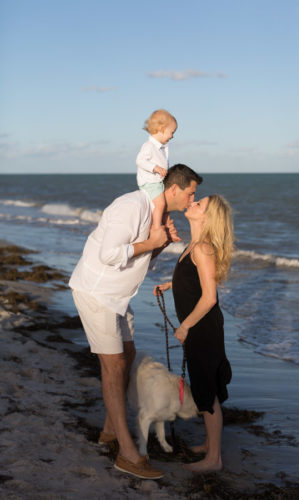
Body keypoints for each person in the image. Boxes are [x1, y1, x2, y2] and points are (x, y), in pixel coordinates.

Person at [69, 164, 203, 479]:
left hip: (119, 297)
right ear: (174, 189)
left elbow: (138, 259)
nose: (192, 198)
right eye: (190, 192)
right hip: (96, 292)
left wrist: (161, 244)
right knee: (114, 365)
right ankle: (127, 453)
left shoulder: (156, 214)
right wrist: (152, 241)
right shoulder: (131, 206)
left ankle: (109, 431)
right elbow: (109, 255)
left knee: (127, 357)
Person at [154, 194, 234, 473]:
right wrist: (170, 284)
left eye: (200, 204)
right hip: (198, 327)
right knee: (203, 390)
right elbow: (195, 282)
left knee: (206, 393)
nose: (194, 203)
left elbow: (209, 297)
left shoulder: (203, 248)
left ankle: (214, 460)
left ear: (207, 217)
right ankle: (209, 447)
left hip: (204, 329)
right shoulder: (194, 246)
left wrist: (185, 326)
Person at [136, 109, 179, 238]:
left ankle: (168, 228)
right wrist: (154, 167)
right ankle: (156, 228)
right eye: (171, 132)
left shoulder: (161, 147)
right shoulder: (149, 146)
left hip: (158, 182)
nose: (172, 136)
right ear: (161, 128)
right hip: (150, 182)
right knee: (160, 204)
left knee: (166, 206)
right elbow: (140, 160)